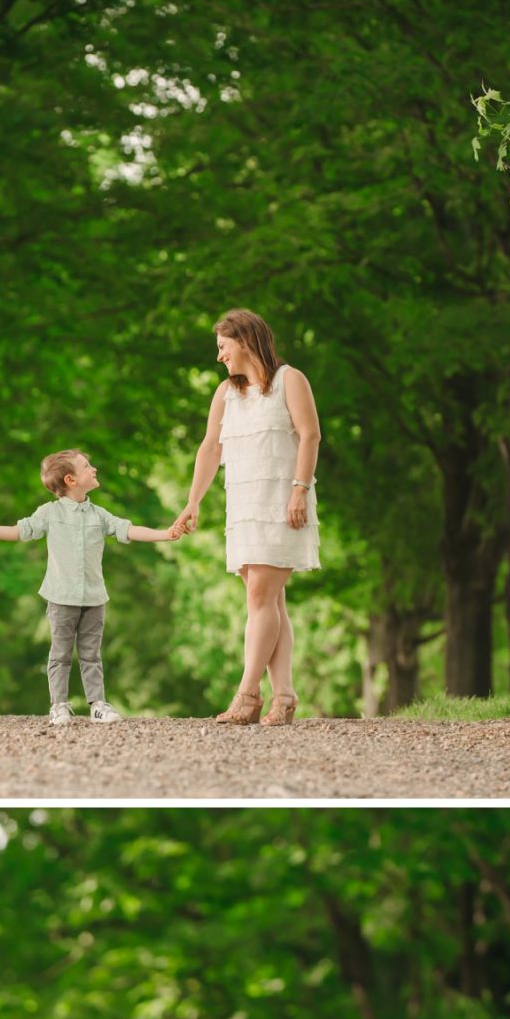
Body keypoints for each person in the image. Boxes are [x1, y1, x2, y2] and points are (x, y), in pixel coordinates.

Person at [172, 309, 321, 725]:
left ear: (245, 340)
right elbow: (210, 448)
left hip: (283, 502)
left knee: (260, 597)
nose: (219, 356)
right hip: (244, 506)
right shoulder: (226, 393)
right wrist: (193, 501)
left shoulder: (290, 379)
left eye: (223, 346)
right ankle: (284, 696)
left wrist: (300, 489)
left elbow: (310, 435)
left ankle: (248, 692)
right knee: (269, 602)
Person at [0, 448, 178, 725]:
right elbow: (18, 531)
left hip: (94, 598)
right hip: (61, 598)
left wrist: (165, 534)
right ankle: (58, 705)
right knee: (60, 655)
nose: (93, 469)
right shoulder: (49, 513)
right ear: (71, 480)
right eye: (86, 466)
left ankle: (98, 705)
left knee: (92, 655)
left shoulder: (99, 515)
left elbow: (128, 529)